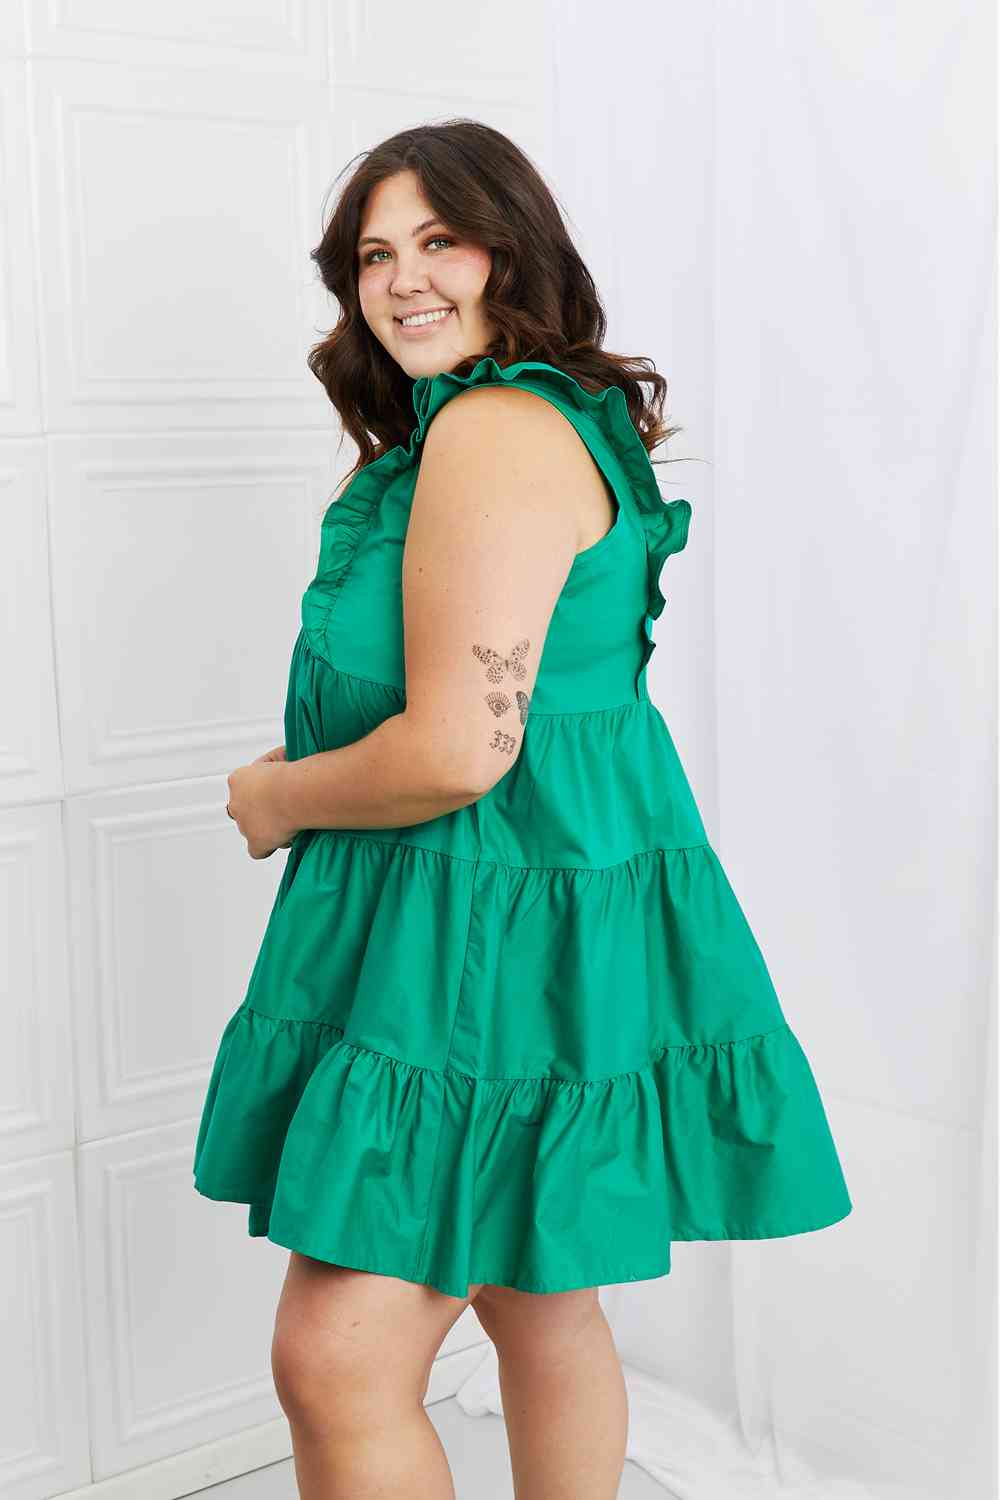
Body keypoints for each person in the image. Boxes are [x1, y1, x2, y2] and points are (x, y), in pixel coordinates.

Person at [195, 119, 852, 1500]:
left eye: (440, 240)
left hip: (480, 922)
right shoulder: (535, 414)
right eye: (374, 254)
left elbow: (459, 750)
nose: (402, 280)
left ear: (513, 248)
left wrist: (280, 796)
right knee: (535, 1295)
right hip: (534, 905)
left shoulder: (494, 431)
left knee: (337, 1359)